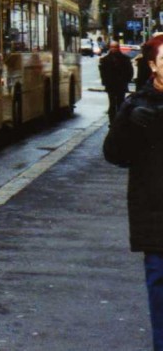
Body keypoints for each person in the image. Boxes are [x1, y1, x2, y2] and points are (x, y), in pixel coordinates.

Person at [104, 32, 163, 350]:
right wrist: (129, 124)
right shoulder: (138, 105)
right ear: (153, 66)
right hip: (156, 223)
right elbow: (115, 154)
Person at [100, 43, 135, 124]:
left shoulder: (125, 59)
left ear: (118, 48)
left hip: (121, 84)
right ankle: (112, 122)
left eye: (115, 47)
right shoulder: (105, 59)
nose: (113, 49)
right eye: (112, 47)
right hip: (111, 85)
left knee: (120, 103)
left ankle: (119, 121)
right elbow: (103, 72)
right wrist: (105, 82)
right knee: (112, 104)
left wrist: (126, 80)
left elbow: (130, 71)